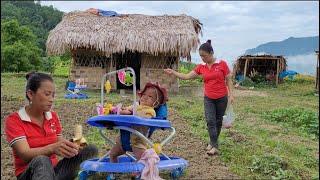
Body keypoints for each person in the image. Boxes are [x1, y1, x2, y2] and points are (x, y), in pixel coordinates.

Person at [4, 72, 98, 180]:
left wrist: (72, 146)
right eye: (47, 94)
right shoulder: (15, 120)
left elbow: (59, 142)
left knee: (90, 150)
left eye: (53, 95)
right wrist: (52, 148)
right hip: (29, 174)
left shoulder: (52, 116)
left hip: (54, 172)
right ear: (30, 94)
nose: (51, 99)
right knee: (42, 160)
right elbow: (24, 155)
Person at [164, 40, 234, 156]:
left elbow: (228, 80)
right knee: (210, 121)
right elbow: (186, 76)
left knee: (218, 121)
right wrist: (173, 72)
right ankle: (215, 146)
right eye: (201, 56)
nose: (202, 58)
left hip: (222, 97)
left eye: (204, 56)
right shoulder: (201, 67)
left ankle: (212, 143)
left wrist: (231, 95)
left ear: (211, 53)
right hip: (209, 98)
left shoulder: (222, 64)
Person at [109, 82, 168, 162]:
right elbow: (127, 109)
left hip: (138, 142)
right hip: (122, 141)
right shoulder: (136, 105)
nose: (145, 97)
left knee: (142, 159)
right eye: (144, 94)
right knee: (112, 154)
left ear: (156, 103)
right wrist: (119, 110)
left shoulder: (150, 111)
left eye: (150, 97)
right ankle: (114, 169)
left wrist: (130, 112)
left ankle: (139, 171)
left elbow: (142, 117)